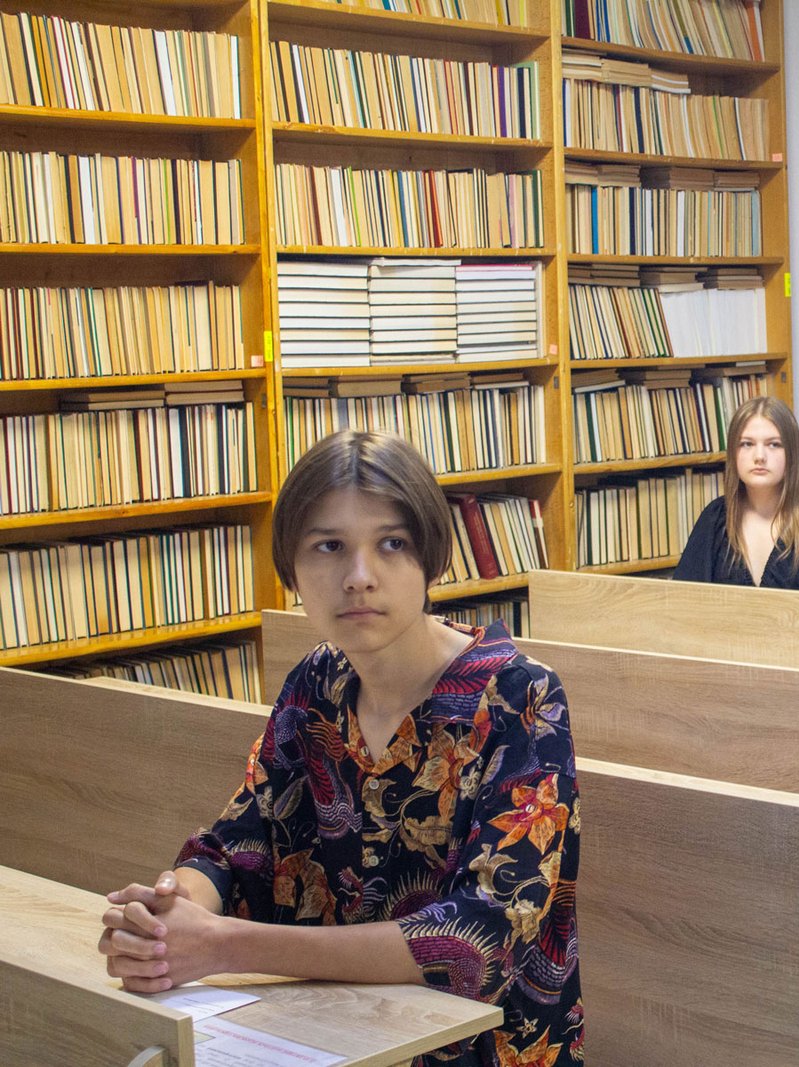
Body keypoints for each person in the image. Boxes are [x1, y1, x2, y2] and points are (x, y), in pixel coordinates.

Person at [96, 431, 583, 1066]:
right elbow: (239, 844)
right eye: (329, 546)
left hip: (476, 1052)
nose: (359, 578)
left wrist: (220, 945)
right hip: (328, 1035)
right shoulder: (318, 681)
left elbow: (477, 937)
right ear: (291, 568)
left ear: (431, 557)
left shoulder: (519, 697)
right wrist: (170, 917)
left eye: (392, 544)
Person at [675, 395, 799, 594]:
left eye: (774, 444)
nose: (760, 457)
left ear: (792, 454)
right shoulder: (715, 518)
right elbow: (684, 600)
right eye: (747, 444)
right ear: (733, 454)